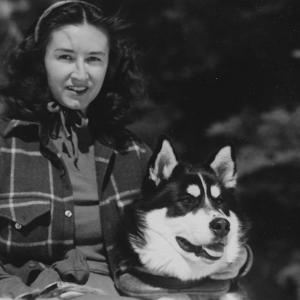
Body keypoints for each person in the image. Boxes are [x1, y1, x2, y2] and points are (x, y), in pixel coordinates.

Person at [0, 0, 252, 299]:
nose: (81, 75)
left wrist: (238, 259)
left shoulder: (132, 153)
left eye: (94, 59)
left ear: (110, 67)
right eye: (65, 57)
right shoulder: (7, 148)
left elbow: (188, 224)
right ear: (40, 61)